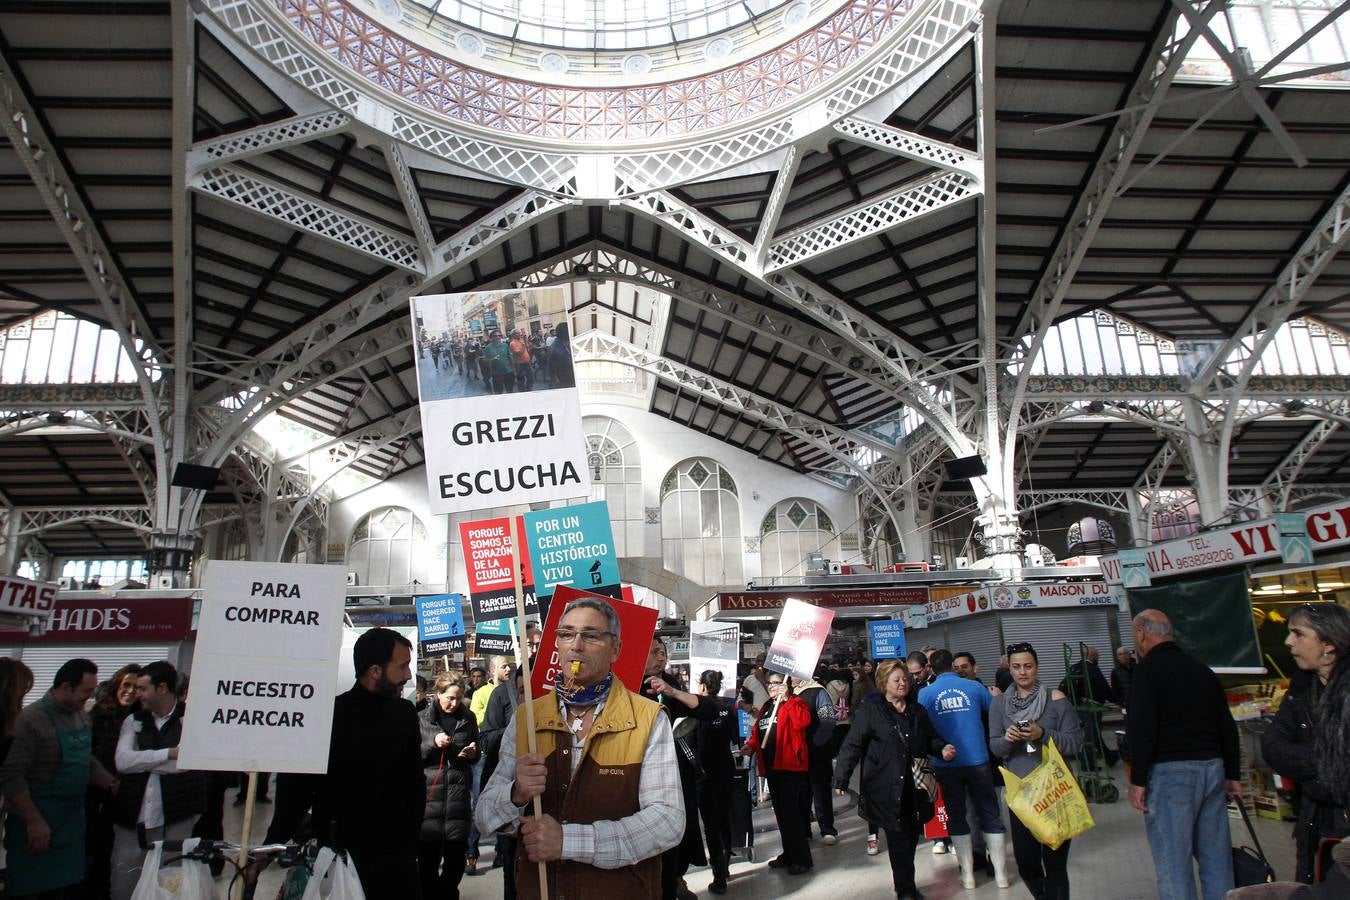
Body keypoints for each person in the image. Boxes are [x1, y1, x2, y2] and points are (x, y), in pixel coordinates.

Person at [475, 597, 683, 900]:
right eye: (566, 634)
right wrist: (516, 793)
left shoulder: (647, 718)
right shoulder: (526, 719)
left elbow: (667, 822)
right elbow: (484, 817)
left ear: (616, 649)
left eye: (591, 635)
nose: (576, 645)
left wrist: (567, 841)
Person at [265, 627, 425, 900]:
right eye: (402, 666)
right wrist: (270, 846)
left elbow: (415, 783)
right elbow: (297, 790)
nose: (409, 675)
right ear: (375, 671)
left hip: (394, 863)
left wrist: (408, 843)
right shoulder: (328, 718)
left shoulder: (404, 714)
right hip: (340, 860)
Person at [1127, 609, 1241, 900]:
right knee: (1217, 861)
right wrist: (1232, 774)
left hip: (1171, 775)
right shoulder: (1201, 669)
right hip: (1212, 770)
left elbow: (1142, 728)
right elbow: (1226, 725)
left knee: (1173, 864)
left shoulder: (1147, 671)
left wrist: (1138, 778)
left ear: (1142, 633)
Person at [834, 659, 955, 900]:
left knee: (910, 837)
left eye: (905, 679)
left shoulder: (917, 710)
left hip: (915, 786)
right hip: (884, 787)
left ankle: (906, 883)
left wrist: (942, 748)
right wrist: (841, 779)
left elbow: (930, 737)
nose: (903, 684)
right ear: (883, 683)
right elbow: (853, 744)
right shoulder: (872, 710)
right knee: (898, 838)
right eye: (896, 680)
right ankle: (905, 889)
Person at [1, 658, 118, 899]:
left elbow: (87, 760)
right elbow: (12, 774)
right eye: (86, 691)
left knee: (68, 889)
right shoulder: (30, 720)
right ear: (66, 687)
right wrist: (33, 821)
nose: (90, 696)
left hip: (70, 823)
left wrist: (112, 783)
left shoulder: (82, 717)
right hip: (37, 821)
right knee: (33, 890)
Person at [1261, 602, 1350, 883]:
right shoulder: (1301, 686)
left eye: (1298, 634)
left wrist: (1315, 769)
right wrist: (1329, 761)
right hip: (1315, 825)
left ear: (1329, 644)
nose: (1288, 642)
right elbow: (1273, 746)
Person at [989, 642, 1082, 900]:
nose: (1022, 672)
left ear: (1037, 668)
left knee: (1055, 865)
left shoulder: (1056, 700)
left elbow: (1074, 743)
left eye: (1028, 666)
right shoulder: (999, 705)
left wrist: (1043, 734)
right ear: (1010, 668)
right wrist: (1008, 739)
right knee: (1026, 863)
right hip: (1022, 796)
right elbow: (995, 747)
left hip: (1056, 794)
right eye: (1016, 667)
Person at [111, 660, 206, 899]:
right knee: (124, 883)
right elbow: (122, 762)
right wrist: (167, 753)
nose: (137, 693)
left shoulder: (191, 720)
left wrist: (142, 761)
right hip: (133, 817)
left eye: (143, 688)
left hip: (176, 815)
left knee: (169, 884)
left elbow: (182, 765)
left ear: (162, 688)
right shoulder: (134, 721)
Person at [917, 649, 1006, 889]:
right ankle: (1001, 874)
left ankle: (967, 875)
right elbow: (996, 711)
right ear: (953, 666)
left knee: (957, 817)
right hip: (978, 759)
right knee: (989, 812)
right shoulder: (975, 688)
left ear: (932, 669)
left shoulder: (925, 694)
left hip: (945, 763)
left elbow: (919, 725)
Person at [643, 637, 718, 900]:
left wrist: (674, 692)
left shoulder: (670, 684)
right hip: (637, 775)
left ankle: (675, 879)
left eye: (662, 652)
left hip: (672, 772)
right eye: (653, 652)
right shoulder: (622, 686)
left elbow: (709, 711)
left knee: (678, 831)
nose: (660, 657)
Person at [653, 668, 739, 895]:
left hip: (703, 776)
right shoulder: (728, 708)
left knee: (710, 826)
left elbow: (686, 741)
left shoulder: (695, 711)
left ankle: (719, 877)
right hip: (726, 770)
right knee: (723, 821)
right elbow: (735, 738)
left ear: (701, 686)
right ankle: (725, 869)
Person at [743, 672, 813, 875]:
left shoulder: (796, 702)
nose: (773, 686)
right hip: (772, 768)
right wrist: (751, 746)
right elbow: (759, 732)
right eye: (770, 683)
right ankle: (789, 854)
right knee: (782, 816)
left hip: (791, 768)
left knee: (792, 816)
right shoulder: (766, 707)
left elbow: (802, 723)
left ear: (786, 684)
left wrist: (787, 699)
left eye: (776, 683)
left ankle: (803, 859)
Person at [419, 671, 479, 900]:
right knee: (427, 865)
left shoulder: (468, 718)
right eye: (450, 698)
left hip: (457, 799)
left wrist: (472, 752)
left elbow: (476, 748)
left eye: (459, 698)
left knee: (454, 863)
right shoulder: (422, 718)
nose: (454, 704)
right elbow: (414, 753)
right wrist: (432, 742)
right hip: (429, 801)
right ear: (438, 694)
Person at [84, 663, 139, 900]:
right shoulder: (96, 716)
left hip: (126, 802)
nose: (130, 691)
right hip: (96, 798)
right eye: (126, 685)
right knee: (93, 853)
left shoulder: (142, 720)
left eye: (137, 687)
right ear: (117, 684)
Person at [467, 655, 512, 875]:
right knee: (481, 801)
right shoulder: (486, 693)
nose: (508, 668)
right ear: (493, 670)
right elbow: (480, 724)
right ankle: (471, 852)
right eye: (503, 666)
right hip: (486, 755)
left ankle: (500, 851)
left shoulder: (512, 691)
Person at [793, 669, 839, 844]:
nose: (789, 677)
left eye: (792, 673)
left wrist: (815, 744)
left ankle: (828, 829)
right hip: (796, 756)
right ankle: (803, 830)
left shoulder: (818, 691)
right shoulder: (787, 694)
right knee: (800, 794)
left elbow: (828, 721)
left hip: (816, 754)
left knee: (820, 793)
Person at [1059, 646, 1116, 767]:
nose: (1099, 657)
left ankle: (1110, 757)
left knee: (1093, 733)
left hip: (1079, 706)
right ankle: (1087, 764)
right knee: (1091, 735)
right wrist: (1117, 701)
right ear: (1092, 656)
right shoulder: (1092, 669)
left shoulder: (1075, 667)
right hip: (1092, 706)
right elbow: (1104, 688)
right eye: (1097, 655)